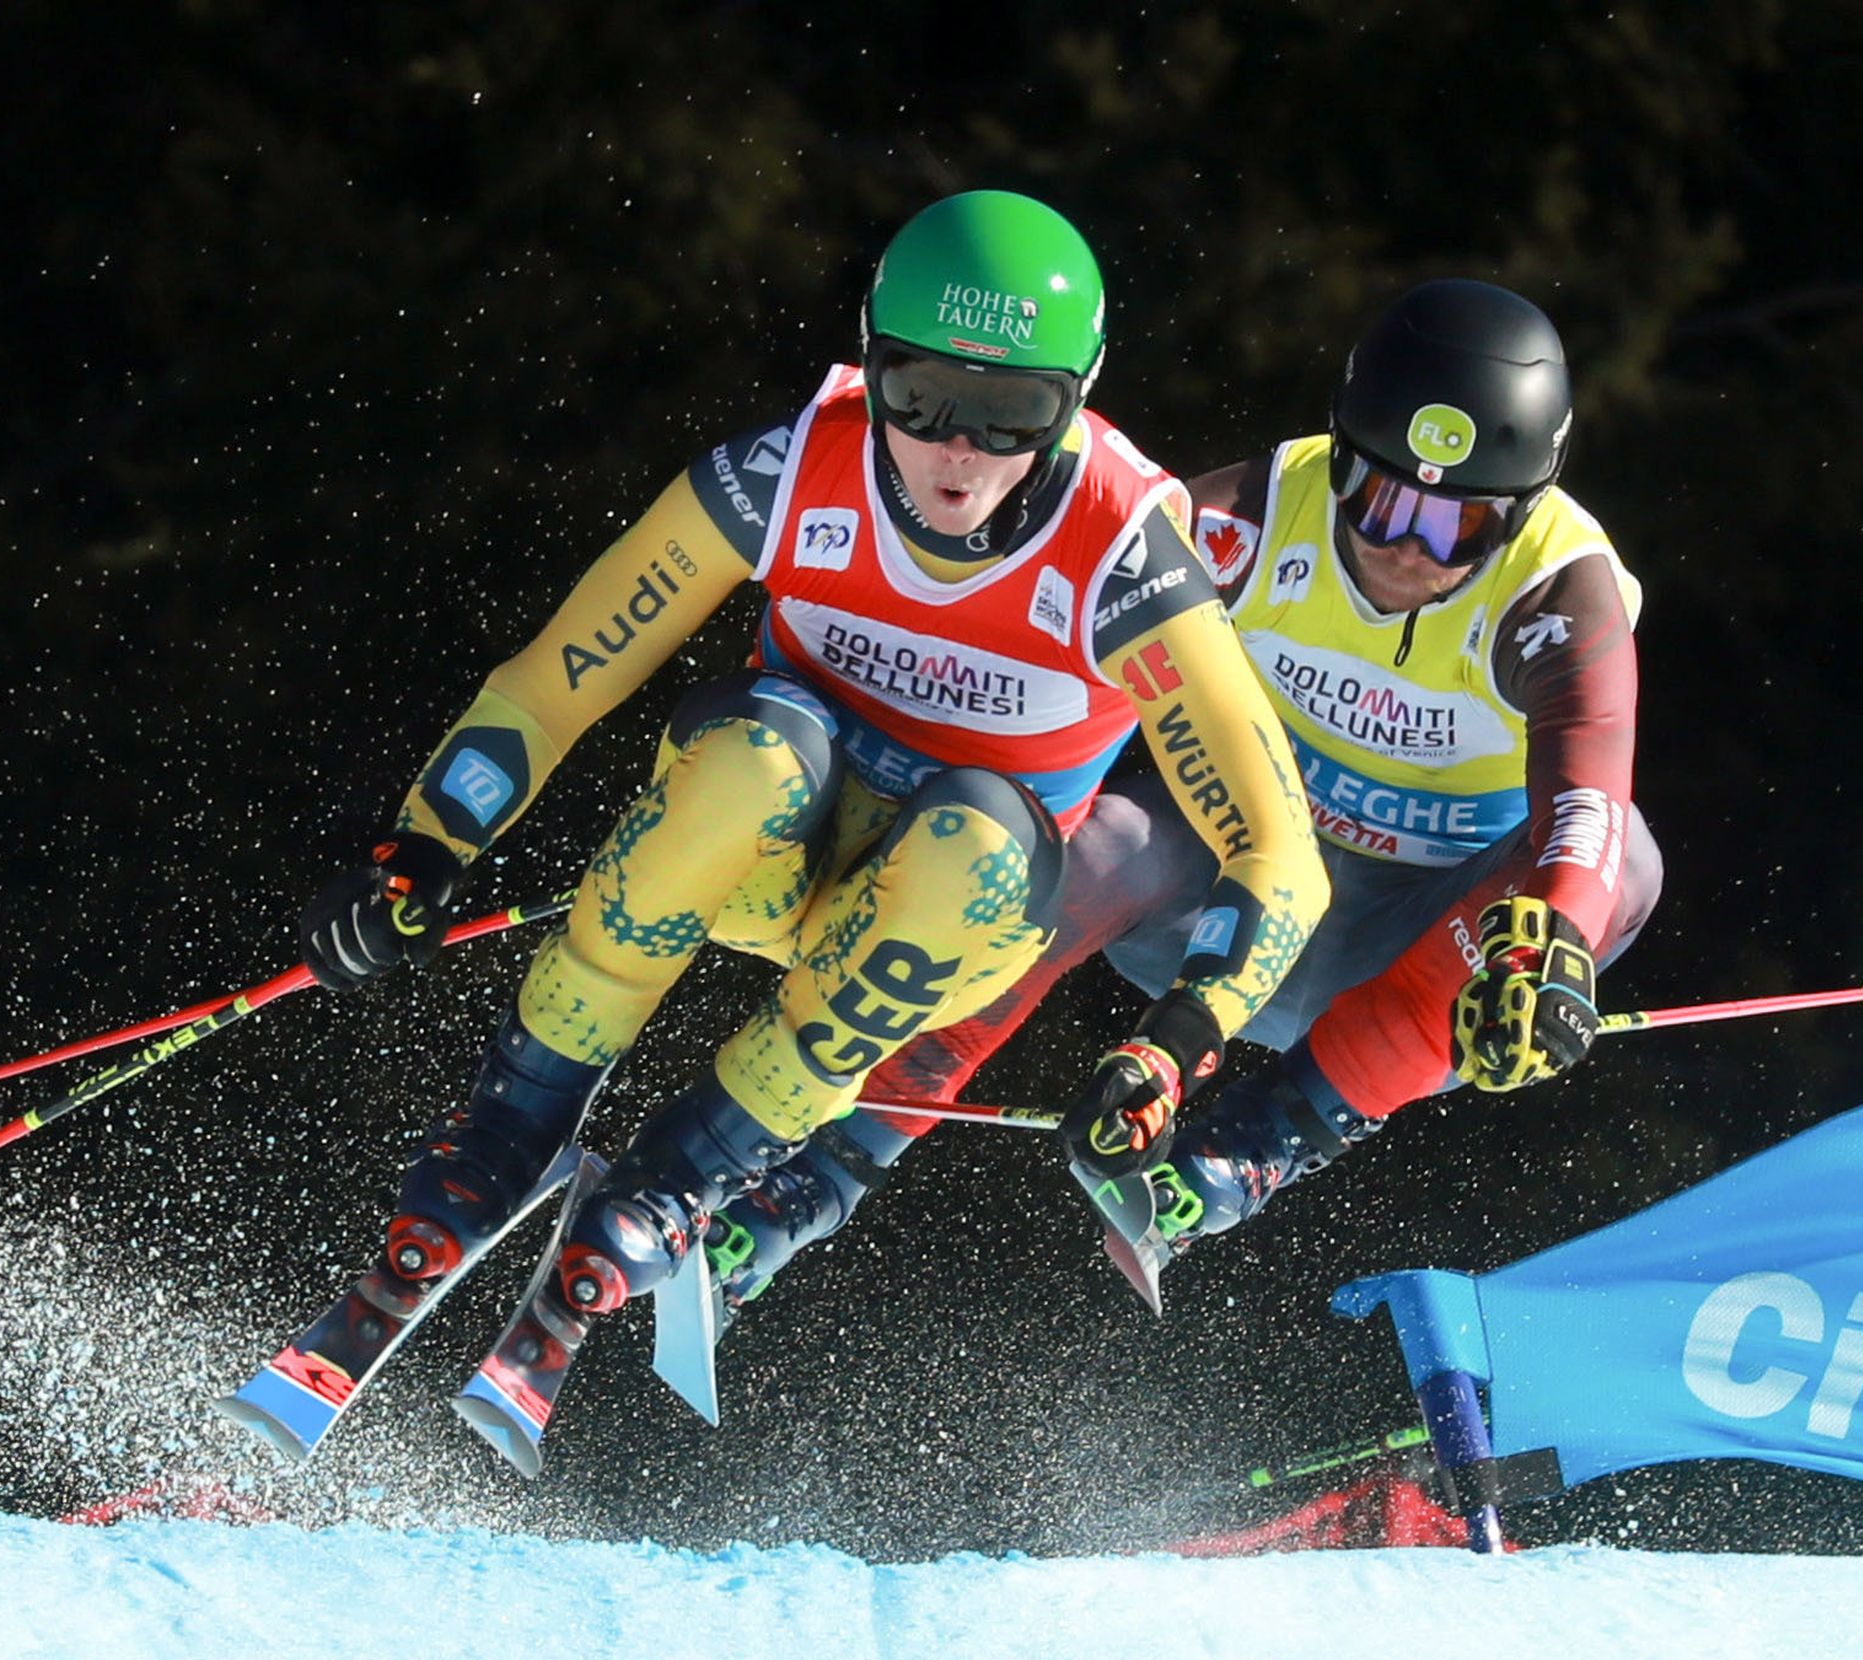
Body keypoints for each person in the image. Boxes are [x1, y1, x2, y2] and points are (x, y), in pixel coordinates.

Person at [294, 190, 1327, 1473]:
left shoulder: (1122, 556)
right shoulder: (790, 472)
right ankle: (510, 1123)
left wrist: (1181, 1044)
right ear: (869, 360)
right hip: (761, 856)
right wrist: (422, 845)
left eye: (1014, 414)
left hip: (936, 920)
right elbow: (558, 675)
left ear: (1079, 399)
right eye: (920, 395)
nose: (960, 450)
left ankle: (677, 1181)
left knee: (978, 838)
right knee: (751, 748)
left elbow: (1281, 856)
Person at [713, 278, 1662, 1300]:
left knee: (1628, 868)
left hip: (1413, 939)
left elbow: (1590, 806)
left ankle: (1245, 1153)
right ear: (1337, 454)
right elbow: (1030, 637)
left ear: (1517, 516)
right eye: (1382, 498)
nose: (1404, 549)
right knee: (1098, 840)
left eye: (1456, 531)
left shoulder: (1559, 590)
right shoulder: (1246, 520)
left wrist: (1551, 941)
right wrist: (892, 787)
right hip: (1233, 892)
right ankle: (814, 1174)